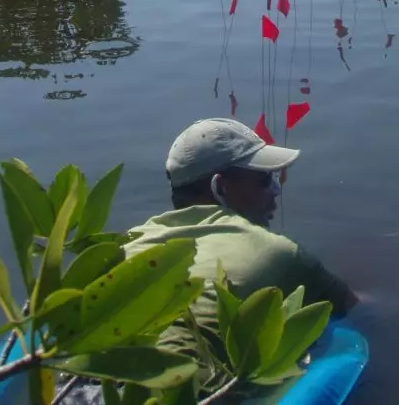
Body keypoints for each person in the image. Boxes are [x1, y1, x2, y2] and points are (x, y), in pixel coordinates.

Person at [123, 118, 358, 395]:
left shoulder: (131, 242)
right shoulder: (277, 252)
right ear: (219, 189)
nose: (276, 190)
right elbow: (352, 308)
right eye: (263, 180)